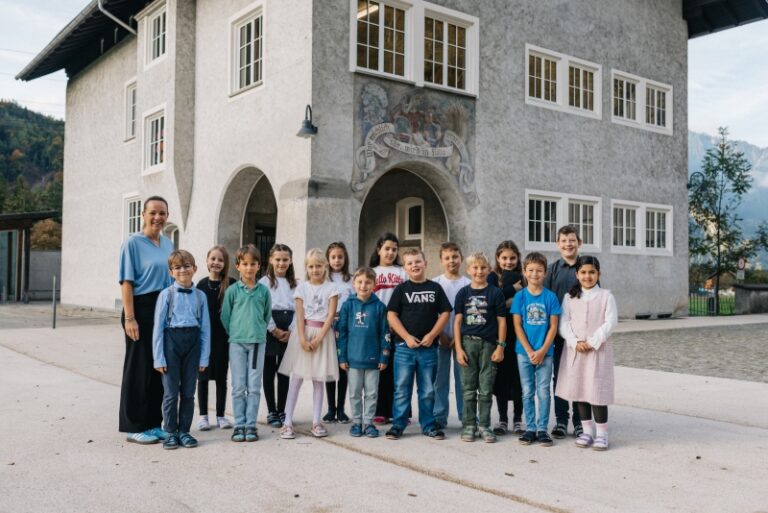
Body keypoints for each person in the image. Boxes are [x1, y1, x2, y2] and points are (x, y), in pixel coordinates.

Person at [118, 196, 174, 444]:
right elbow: (126, 282)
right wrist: (130, 318)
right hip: (139, 309)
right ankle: (134, 426)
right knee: (138, 369)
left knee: (157, 368)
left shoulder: (168, 244)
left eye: (162, 213)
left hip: (162, 309)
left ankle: (152, 423)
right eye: (153, 212)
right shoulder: (132, 243)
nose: (157, 217)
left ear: (167, 216)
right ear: (143, 215)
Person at [385, 248, 451, 440]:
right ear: (405, 268)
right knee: (401, 389)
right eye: (410, 263)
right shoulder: (401, 289)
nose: (414, 265)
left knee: (428, 390)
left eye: (417, 261)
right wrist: (406, 336)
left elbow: (445, 312)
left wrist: (432, 335)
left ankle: (428, 425)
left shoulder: (435, 288)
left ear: (425, 263)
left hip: (428, 349)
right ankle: (398, 424)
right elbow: (391, 315)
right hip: (404, 348)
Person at [556, 256, 617, 451]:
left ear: (598, 274)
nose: (587, 276)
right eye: (583, 272)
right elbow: (564, 322)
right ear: (577, 274)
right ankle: (587, 431)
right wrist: (574, 341)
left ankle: (602, 434)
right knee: (580, 390)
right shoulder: (570, 297)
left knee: (597, 391)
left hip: (597, 351)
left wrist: (593, 341)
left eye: (592, 272)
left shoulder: (606, 296)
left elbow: (610, 322)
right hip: (576, 352)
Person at [152, 250, 211, 449]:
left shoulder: (200, 296)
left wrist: (204, 357)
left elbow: (205, 328)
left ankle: (184, 431)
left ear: (194, 268)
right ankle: (170, 431)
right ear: (171, 272)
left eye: (187, 266)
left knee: (188, 392)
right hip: (171, 342)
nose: (183, 270)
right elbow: (158, 328)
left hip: (193, 344)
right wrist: (158, 358)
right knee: (170, 393)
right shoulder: (166, 295)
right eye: (177, 267)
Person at [278, 249, 340, 439]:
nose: (315, 270)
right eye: (311, 266)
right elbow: (299, 316)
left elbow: (330, 315)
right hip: (303, 334)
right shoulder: (302, 288)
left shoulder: (332, 288)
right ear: (306, 267)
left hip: (323, 335)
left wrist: (319, 338)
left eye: (318, 266)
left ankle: (316, 421)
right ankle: (287, 422)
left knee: (318, 380)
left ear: (325, 266)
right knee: (296, 379)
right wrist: (303, 339)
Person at [454, 252, 506, 443]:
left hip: (489, 346)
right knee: (468, 388)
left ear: (489, 269)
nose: (479, 271)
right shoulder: (463, 293)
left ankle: (484, 425)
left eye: (483, 267)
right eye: (475, 268)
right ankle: (469, 425)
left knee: (485, 388)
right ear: (468, 270)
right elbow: (457, 322)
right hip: (468, 344)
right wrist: (458, 349)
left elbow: (502, 322)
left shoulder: (495, 293)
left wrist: (500, 346)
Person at [221, 245, 272, 443]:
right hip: (237, 344)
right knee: (238, 386)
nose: (249, 268)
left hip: (257, 343)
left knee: (254, 386)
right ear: (238, 266)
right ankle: (239, 425)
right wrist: (236, 333)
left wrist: (256, 331)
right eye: (245, 264)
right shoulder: (232, 291)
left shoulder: (263, 291)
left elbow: (266, 315)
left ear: (259, 266)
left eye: (253, 264)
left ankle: (251, 425)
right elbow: (226, 317)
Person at [511, 252, 561, 447]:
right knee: (527, 391)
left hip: (545, 353)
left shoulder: (550, 297)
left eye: (539, 270)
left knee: (544, 391)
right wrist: (529, 350)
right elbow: (517, 326)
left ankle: (542, 429)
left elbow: (553, 327)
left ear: (545, 273)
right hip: (524, 353)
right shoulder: (520, 297)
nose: (534, 274)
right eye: (530, 270)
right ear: (524, 272)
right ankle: (530, 428)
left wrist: (541, 351)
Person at [336, 266, 390, 438]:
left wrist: (384, 356)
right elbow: (342, 333)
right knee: (354, 393)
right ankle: (357, 422)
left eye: (368, 282)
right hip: (353, 359)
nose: (363, 285)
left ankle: (369, 423)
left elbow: (385, 333)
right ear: (354, 283)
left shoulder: (380, 307)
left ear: (374, 284)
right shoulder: (348, 305)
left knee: (372, 393)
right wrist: (342, 357)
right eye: (359, 282)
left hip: (373, 359)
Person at [544, 225, 584, 439]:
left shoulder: (586, 267)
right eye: (564, 240)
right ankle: (561, 420)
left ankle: (579, 421)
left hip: (581, 334)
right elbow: (547, 300)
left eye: (572, 240)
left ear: (579, 243)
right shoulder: (552, 270)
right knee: (559, 377)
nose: (568, 244)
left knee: (580, 377)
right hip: (558, 333)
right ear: (558, 244)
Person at [196, 245, 236, 431]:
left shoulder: (231, 284)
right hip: (204, 338)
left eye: (220, 260)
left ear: (225, 263)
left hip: (223, 338)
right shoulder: (201, 285)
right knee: (202, 377)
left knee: (221, 378)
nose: (216, 263)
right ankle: (203, 416)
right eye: (213, 259)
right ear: (207, 261)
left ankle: (221, 415)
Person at [487, 241, 525, 436]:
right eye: (504, 258)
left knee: (519, 376)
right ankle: (502, 418)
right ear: (497, 258)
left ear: (518, 258)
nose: (508, 262)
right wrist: (513, 289)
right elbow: (493, 298)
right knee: (500, 377)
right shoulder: (493, 277)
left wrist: (517, 288)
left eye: (512, 258)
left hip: (520, 332)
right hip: (499, 334)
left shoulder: (524, 277)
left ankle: (518, 418)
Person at [369, 232, 407, 424]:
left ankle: (400, 412)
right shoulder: (371, 272)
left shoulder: (402, 272)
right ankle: (380, 410)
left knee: (400, 371)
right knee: (380, 369)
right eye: (387, 248)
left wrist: (398, 323)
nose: (391, 252)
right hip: (377, 327)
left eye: (394, 249)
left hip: (399, 327)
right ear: (379, 249)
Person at [259, 244, 297, 428]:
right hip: (270, 327)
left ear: (290, 261)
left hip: (289, 327)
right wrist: (273, 329)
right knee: (269, 371)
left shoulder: (295, 283)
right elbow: (262, 308)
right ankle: (271, 411)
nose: (281, 263)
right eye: (278, 259)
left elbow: (300, 308)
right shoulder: (264, 283)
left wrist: (291, 330)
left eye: (285, 259)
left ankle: (282, 410)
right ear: (271, 260)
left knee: (284, 372)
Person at [432, 242, 470, 429]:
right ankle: (439, 416)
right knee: (440, 380)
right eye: (447, 258)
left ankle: (466, 417)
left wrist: (459, 337)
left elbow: (470, 314)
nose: (451, 261)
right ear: (441, 261)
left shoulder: (468, 284)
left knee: (463, 380)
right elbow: (432, 312)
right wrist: (440, 335)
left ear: (461, 258)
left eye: (455, 257)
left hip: (461, 340)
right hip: (441, 338)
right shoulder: (436, 283)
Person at [324, 241, 355, 424]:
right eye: (333, 257)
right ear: (328, 259)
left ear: (345, 258)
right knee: (329, 368)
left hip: (346, 328)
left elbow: (355, 302)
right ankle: (330, 409)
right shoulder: (324, 279)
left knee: (343, 367)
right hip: (328, 326)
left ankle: (341, 409)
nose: (337, 260)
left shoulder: (351, 280)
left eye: (340, 257)